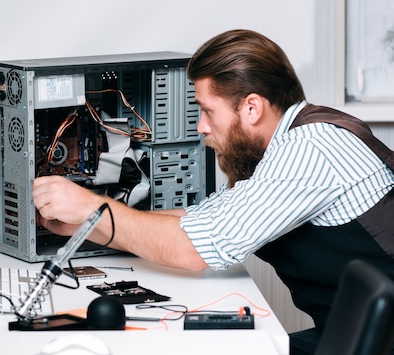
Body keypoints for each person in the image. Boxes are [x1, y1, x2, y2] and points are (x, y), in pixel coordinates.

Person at [32, 29, 394, 355]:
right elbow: (194, 219)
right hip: (356, 333)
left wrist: (90, 205)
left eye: (207, 110)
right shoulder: (283, 148)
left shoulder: (313, 147)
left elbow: (194, 246)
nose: (202, 127)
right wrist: (85, 225)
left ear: (251, 107)